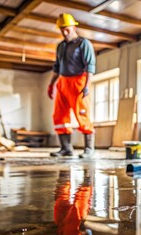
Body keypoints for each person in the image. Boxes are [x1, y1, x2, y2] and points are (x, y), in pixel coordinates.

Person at [48, 13, 96, 158]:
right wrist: (51, 84)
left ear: (74, 27)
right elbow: (57, 67)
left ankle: (89, 149)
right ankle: (66, 148)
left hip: (79, 81)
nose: (64, 31)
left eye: (66, 28)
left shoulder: (83, 43)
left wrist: (87, 86)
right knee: (59, 115)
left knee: (82, 114)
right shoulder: (60, 46)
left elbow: (90, 66)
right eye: (61, 29)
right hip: (63, 82)